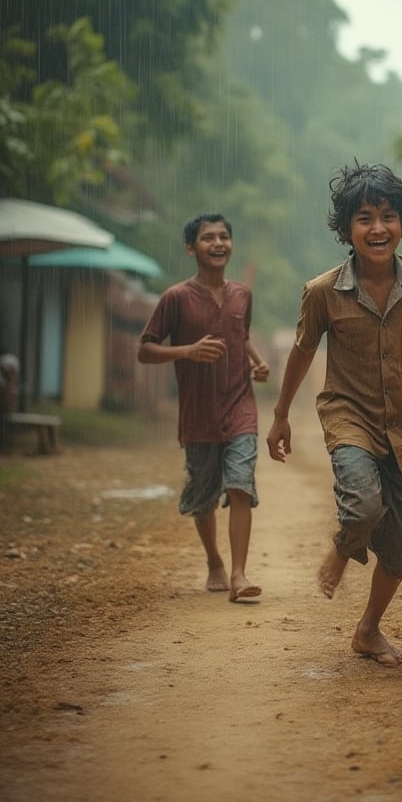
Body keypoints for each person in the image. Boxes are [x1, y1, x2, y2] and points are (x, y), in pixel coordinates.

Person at [266, 163, 402, 668]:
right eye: (365, 218)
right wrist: (282, 414)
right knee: (363, 504)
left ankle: (369, 629)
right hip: (351, 416)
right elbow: (303, 351)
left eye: (388, 217)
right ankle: (342, 549)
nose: (378, 229)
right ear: (346, 229)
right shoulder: (323, 291)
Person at [137, 213, 270, 602]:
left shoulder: (243, 293)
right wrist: (187, 351)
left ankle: (239, 576)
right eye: (207, 237)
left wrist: (257, 362)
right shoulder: (175, 298)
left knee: (240, 486)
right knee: (204, 496)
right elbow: (145, 350)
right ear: (190, 248)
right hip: (198, 413)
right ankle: (214, 560)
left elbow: (240, 336)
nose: (218, 243)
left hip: (240, 405)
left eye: (224, 236)